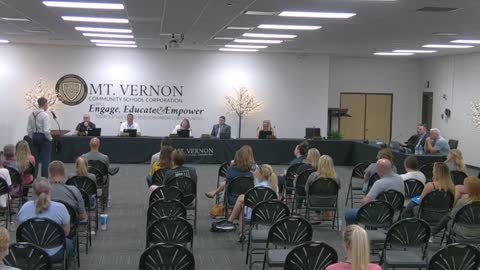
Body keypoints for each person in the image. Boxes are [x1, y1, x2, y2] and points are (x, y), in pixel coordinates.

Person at [17, 178, 73, 262]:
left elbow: (21, 231)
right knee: (69, 242)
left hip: (30, 253)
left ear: (33, 192)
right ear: (50, 190)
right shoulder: (60, 208)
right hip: (55, 254)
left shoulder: (25, 207)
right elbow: (66, 232)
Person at [214, 164, 278, 234]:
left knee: (242, 205)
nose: (255, 172)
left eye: (257, 171)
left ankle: (235, 226)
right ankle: (231, 222)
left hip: (256, 213)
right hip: (269, 214)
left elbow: (251, 201)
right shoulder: (273, 186)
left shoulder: (258, 187)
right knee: (242, 201)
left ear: (261, 175)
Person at [345, 159, 404, 225]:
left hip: (379, 216)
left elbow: (366, 202)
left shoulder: (379, 183)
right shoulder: (400, 179)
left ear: (379, 170)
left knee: (349, 214)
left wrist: (363, 199)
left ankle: (355, 234)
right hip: (394, 214)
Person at [27, 97, 52, 177]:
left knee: (35, 160)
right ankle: (44, 179)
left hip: (34, 137)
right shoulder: (45, 115)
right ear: (44, 104)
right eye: (47, 104)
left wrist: (32, 137)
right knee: (45, 161)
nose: (47, 106)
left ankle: (34, 178)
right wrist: (50, 139)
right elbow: (46, 130)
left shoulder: (31, 114)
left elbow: (29, 129)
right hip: (43, 138)